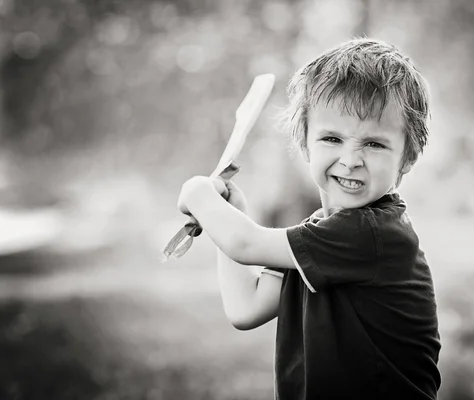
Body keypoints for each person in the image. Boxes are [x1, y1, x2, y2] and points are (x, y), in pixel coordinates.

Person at [177, 38, 442, 400]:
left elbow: (245, 243)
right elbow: (246, 308)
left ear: (408, 157)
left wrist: (197, 193)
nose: (350, 159)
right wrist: (229, 215)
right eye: (332, 138)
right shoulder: (318, 235)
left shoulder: (373, 234)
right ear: (304, 142)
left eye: (374, 144)